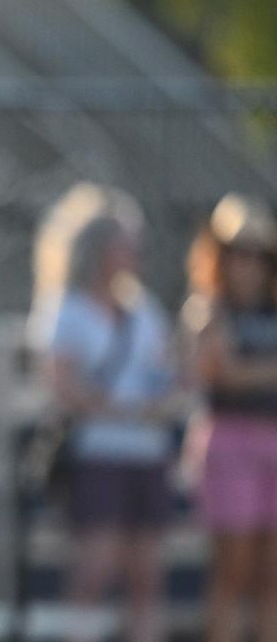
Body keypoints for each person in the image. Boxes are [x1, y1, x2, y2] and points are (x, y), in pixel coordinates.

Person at [28, 182, 182, 642]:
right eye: (126, 244)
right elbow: (62, 385)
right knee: (95, 567)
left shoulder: (145, 309)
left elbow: (167, 372)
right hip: (96, 455)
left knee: (147, 575)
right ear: (98, 249)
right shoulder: (68, 310)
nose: (137, 253)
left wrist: (163, 400)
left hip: (147, 453)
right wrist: (123, 410)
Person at [182, 193, 277, 642]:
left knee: (271, 576)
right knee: (233, 571)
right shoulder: (209, 309)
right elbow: (222, 370)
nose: (247, 264)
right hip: (229, 443)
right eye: (237, 252)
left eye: (257, 254)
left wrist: (251, 370)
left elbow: (240, 369)